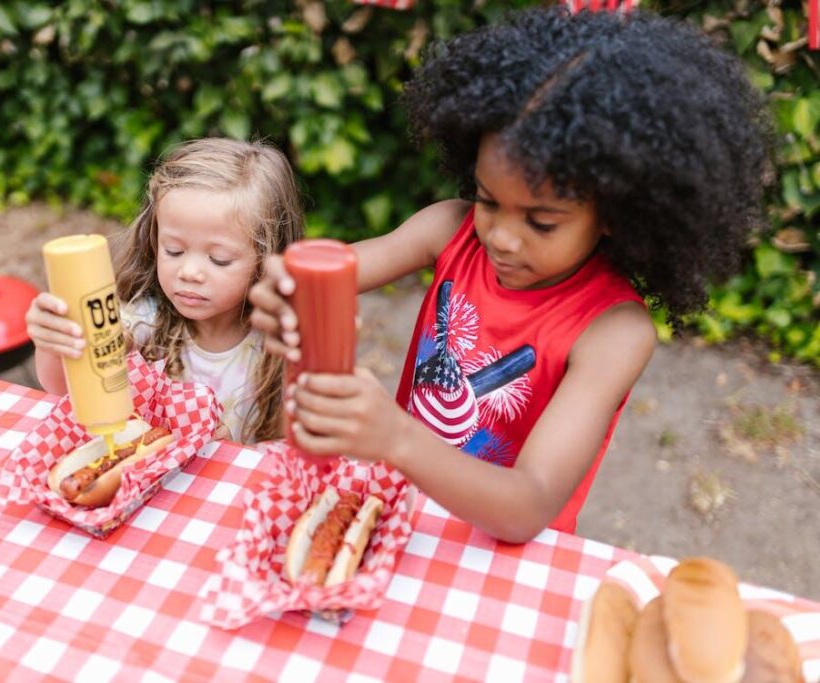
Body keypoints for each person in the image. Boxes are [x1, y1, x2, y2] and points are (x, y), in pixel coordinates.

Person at [249, 8, 771, 542]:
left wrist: (395, 437)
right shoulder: (449, 230)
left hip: (497, 553)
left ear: (615, 213)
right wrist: (288, 289)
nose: (500, 236)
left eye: (541, 222)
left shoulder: (612, 332)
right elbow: (331, 276)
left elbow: (528, 505)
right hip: (393, 515)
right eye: (487, 199)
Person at [27, 138, 305, 444]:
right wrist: (58, 341)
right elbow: (61, 388)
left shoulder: (281, 343)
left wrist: (229, 452)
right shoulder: (147, 318)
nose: (189, 272)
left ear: (268, 260)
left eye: (218, 259)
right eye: (173, 251)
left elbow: (294, 450)